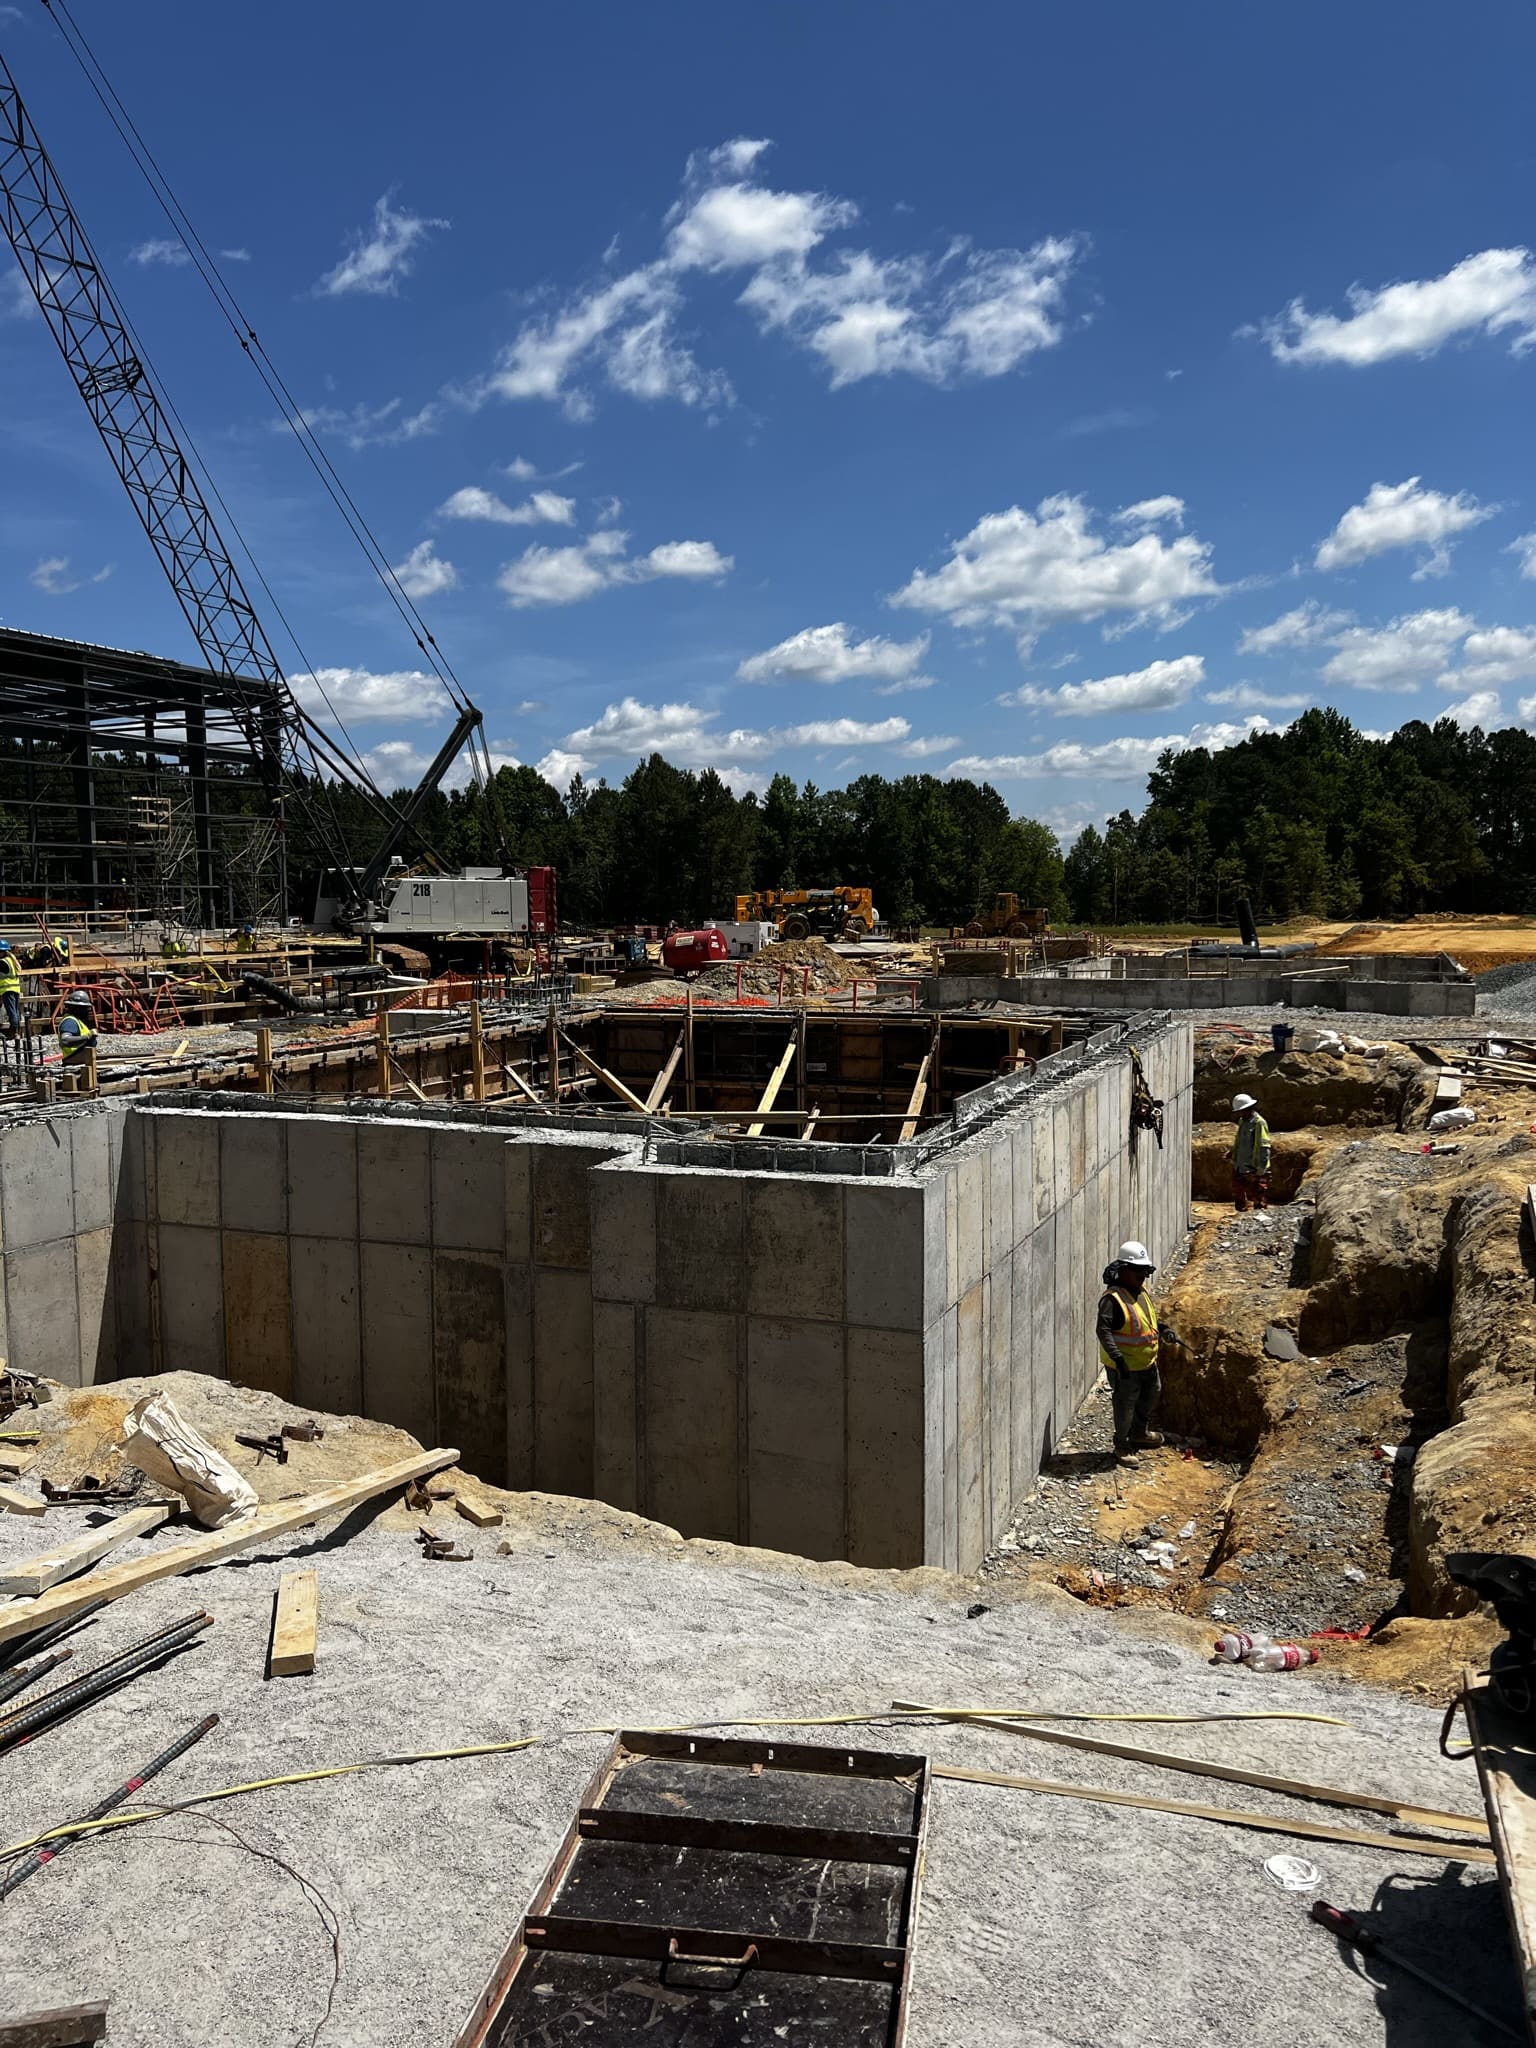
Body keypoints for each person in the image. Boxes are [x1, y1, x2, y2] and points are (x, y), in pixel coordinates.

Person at [1097, 1240, 1184, 1461]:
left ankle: (1140, 1434)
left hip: (1146, 1363)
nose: (1141, 1275)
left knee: (1150, 1395)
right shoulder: (1112, 1300)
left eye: (1144, 1271)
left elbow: (1147, 1320)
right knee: (1125, 1405)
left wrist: (1162, 1329)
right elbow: (1103, 1330)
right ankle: (1122, 1445)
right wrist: (1118, 1359)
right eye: (1136, 1270)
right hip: (1125, 1367)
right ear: (1123, 1270)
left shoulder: (1141, 1292)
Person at [1231, 1092, 1272, 1211]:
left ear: (1249, 1108)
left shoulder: (1259, 1123)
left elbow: (1264, 1146)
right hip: (1240, 1166)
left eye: (1241, 1111)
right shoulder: (1242, 1121)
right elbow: (1240, 1142)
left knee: (1258, 1194)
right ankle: (1241, 1214)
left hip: (1253, 1167)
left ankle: (1259, 1217)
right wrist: (1233, 1153)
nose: (1240, 1113)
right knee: (1238, 1190)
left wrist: (1261, 1168)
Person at [57, 990, 98, 1066]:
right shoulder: (70, 1022)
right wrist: (88, 1036)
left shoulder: (77, 1021)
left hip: (80, 1061)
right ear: (77, 1009)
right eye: (85, 1008)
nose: (88, 1011)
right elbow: (65, 1041)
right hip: (73, 1061)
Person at [0, 942, 20, 1035]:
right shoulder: (11, 960)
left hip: (7, 990)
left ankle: (14, 1032)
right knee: (15, 1011)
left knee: (11, 1011)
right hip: (15, 989)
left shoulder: (2, 962)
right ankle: (17, 1031)